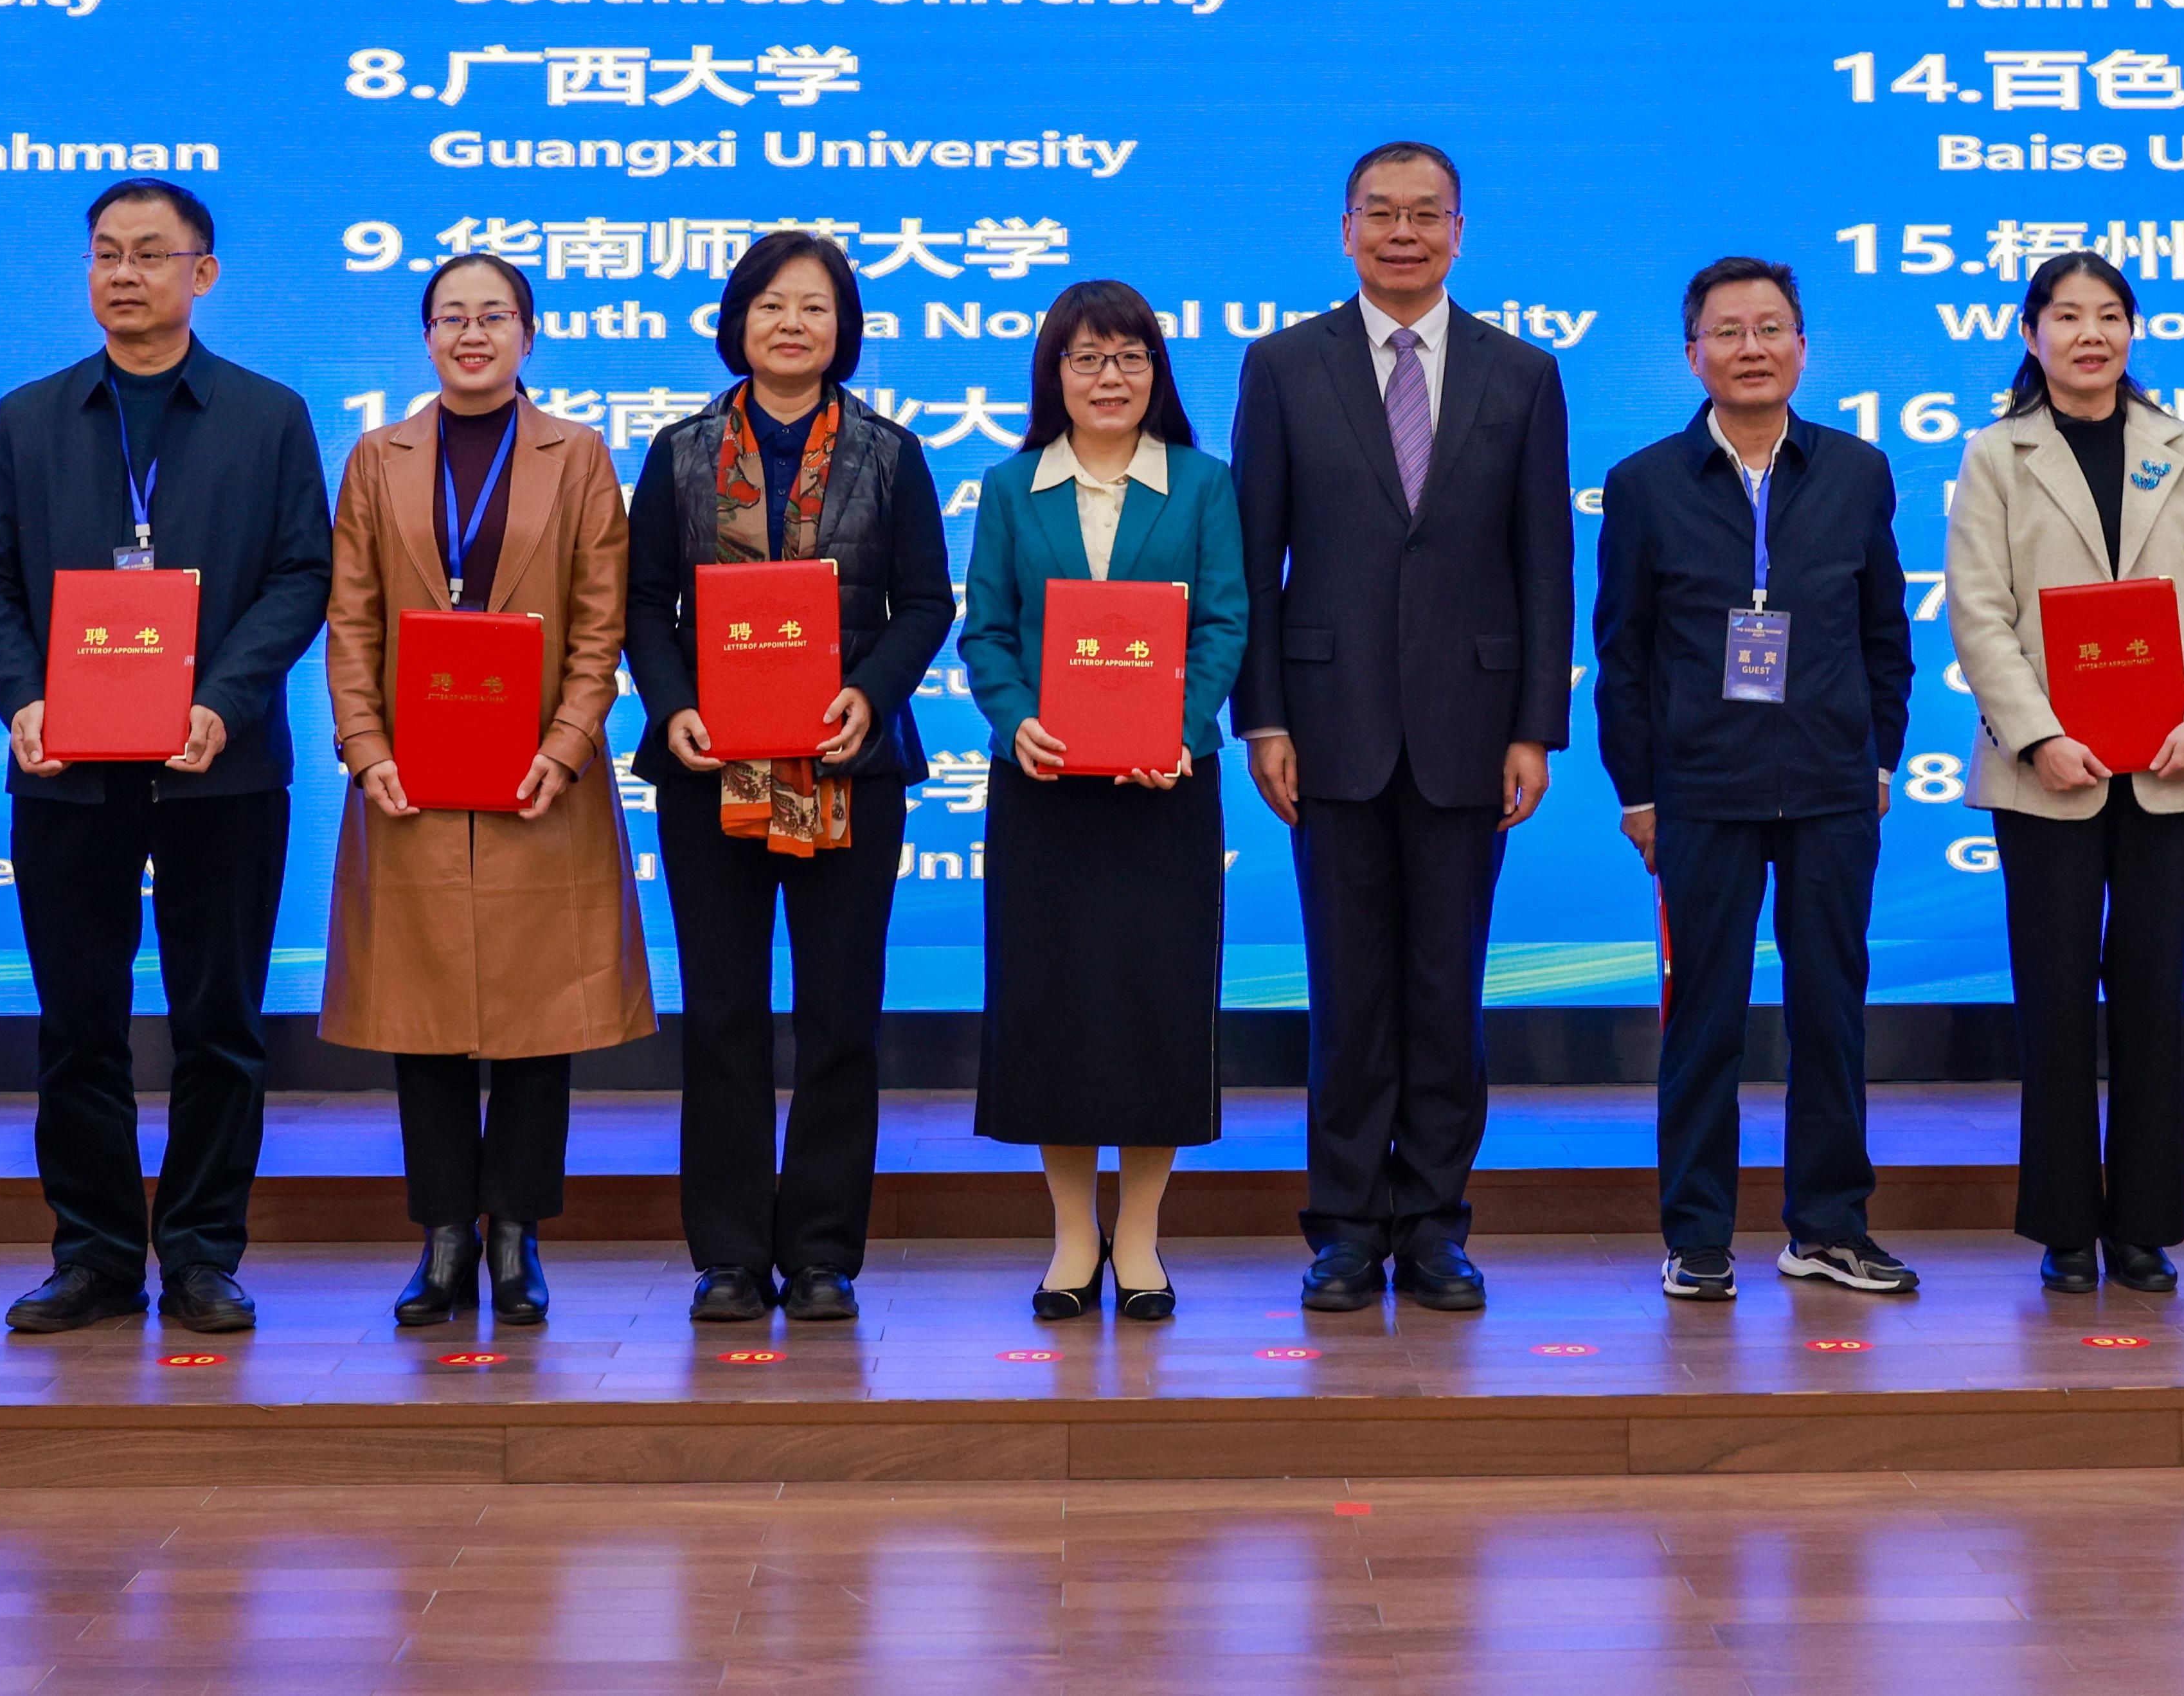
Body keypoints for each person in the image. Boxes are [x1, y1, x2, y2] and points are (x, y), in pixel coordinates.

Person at [0, 180, 339, 1339]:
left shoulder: (269, 415)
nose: (124, 274)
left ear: (202, 273)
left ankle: (205, 1254)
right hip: (67, 771)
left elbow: (301, 577)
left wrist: (224, 700)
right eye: (106, 254)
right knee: (79, 1023)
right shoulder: (30, 417)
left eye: (151, 254)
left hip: (223, 766)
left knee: (220, 1022)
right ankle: (95, 1256)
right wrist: (23, 700)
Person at [1230, 140, 1577, 1317]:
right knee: (1348, 994)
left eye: (1426, 215)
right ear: (1346, 231)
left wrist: (1535, 727)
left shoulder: (1523, 374)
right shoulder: (1283, 365)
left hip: (1471, 730)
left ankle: (1433, 1227)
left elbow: (1544, 563)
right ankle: (1342, 1229)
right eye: (1380, 214)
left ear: (1459, 234)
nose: (1403, 234)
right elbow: (1256, 556)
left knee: (1444, 991)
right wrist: (1263, 716)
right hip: (1327, 728)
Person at [318, 249, 656, 1332]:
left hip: (537, 779)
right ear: (426, 338)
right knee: (420, 1019)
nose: (472, 334)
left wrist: (567, 744)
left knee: (536, 1020)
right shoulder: (378, 457)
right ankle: (443, 1236)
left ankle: (516, 1235)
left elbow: (601, 623)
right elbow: (352, 619)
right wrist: (365, 747)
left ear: (528, 335)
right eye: (452, 317)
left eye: (494, 316)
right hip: (409, 778)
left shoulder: (579, 454)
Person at [623, 228, 956, 1326]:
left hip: (847, 765)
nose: (792, 324)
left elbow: (925, 603)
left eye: (814, 306)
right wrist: (672, 705)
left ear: (843, 327)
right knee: (723, 1016)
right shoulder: (678, 451)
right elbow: (644, 602)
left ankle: (821, 1252)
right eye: (771, 304)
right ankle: (727, 1253)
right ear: (738, 322)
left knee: (838, 1018)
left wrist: (872, 694)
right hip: (709, 769)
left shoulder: (891, 453)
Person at [1597, 258, 1922, 1303]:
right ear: (1692, 353)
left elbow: (1886, 635)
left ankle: (1829, 1227)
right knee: (1705, 1020)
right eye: (1729, 331)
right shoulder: (1646, 483)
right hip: (1701, 793)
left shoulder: (1857, 471)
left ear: (1803, 348)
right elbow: (1623, 655)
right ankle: (1698, 1236)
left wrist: (1878, 758)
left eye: (1772, 328)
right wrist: (1639, 794)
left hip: (1831, 788)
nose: (1752, 348)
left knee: (1832, 1013)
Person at [1942, 249, 2184, 1294]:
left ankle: (2144, 1228)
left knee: (2154, 1002)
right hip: (2046, 775)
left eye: (2111, 315)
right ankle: (2066, 1229)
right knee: (2054, 1003)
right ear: (2030, 334)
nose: (2092, 334)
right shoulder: (1997, 454)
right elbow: (1978, 613)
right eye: (2069, 316)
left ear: (2134, 330)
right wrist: (2038, 735)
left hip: (2175, 766)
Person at [958, 282, 1249, 1324]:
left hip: (1165, 790)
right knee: (1057, 1010)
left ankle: (1141, 1236)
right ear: (1055, 375)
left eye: (1129, 357)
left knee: (1154, 1008)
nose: (1109, 377)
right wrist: (1015, 722)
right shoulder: (1010, 487)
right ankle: (1074, 1235)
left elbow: (1224, 623)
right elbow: (986, 632)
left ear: (1156, 372)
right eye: (1086, 358)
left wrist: (1181, 730)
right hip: (1046, 791)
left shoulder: (1204, 485)